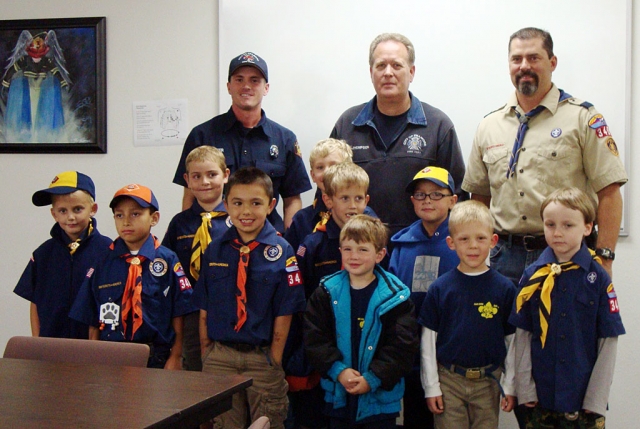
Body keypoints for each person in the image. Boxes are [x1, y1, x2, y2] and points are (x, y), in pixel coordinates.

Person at [462, 27, 628, 283]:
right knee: (504, 325)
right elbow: (479, 199)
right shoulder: (489, 126)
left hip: (567, 255)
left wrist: (605, 257)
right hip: (504, 258)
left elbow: (609, 191)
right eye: (516, 59)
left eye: (534, 58)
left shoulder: (582, 118)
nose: (524, 66)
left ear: (552, 63)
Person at [193, 167, 306, 429]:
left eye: (256, 203)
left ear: (271, 205)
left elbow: (285, 312)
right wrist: (206, 351)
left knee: (267, 423)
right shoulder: (216, 249)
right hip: (220, 357)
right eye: (238, 203)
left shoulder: (282, 250)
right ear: (226, 205)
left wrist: (274, 359)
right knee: (222, 425)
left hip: (262, 357)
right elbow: (204, 306)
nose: (246, 211)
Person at [330, 32, 466, 242]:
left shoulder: (438, 126)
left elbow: (458, 198)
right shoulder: (348, 124)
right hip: (360, 249)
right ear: (371, 72)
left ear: (411, 72)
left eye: (397, 65)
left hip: (420, 248)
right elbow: (328, 189)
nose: (388, 72)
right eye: (381, 65)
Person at [509, 187, 625, 428]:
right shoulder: (533, 275)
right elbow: (523, 335)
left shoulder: (598, 278)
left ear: (587, 227)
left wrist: (596, 399)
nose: (557, 233)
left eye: (567, 225)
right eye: (550, 224)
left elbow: (608, 341)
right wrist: (525, 389)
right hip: (539, 398)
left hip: (582, 400)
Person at [173, 51, 312, 233]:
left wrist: (289, 241)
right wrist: (190, 237)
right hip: (215, 240)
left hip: (268, 240)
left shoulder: (284, 138)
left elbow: (292, 199)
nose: (246, 86)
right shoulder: (202, 135)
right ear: (229, 86)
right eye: (239, 79)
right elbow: (190, 195)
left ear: (266, 88)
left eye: (254, 80)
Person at [303, 215, 419, 429]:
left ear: (380, 254)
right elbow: (315, 339)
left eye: (363, 250)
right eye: (347, 249)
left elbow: (402, 347)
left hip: (380, 404)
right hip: (338, 398)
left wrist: (373, 379)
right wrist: (339, 370)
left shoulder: (396, 298)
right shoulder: (325, 293)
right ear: (340, 252)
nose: (354, 256)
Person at [70, 184, 195, 369]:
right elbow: (92, 317)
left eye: (135, 214)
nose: (126, 222)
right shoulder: (102, 262)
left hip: (155, 357)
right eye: (119, 215)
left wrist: (176, 356)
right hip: (110, 356)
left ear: (154, 218)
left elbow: (179, 313)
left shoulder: (167, 260)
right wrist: (94, 358)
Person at [287, 161, 372, 429]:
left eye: (358, 198)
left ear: (367, 200)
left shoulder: (376, 242)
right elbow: (299, 299)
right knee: (317, 416)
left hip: (363, 343)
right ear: (327, 200)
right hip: (321, 345)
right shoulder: (312, 244)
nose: (352, 205)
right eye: (344, 198)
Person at [418, 200, 517, 429]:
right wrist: (431, 386)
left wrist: (510, 386)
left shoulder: (504, 289)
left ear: (493, 241)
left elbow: (513, 342)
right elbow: (428, 343)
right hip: (449, 381)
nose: (473, 246)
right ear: (451, 243)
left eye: (480, 238)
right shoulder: (440, 289)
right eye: (464, 239)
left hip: (489, 382)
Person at [388, 166, 459, 429]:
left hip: (451, 354)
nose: (427, 200)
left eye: (436, 194)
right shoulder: (402, 243)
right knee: (416, 416)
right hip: (412, 353)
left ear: (453, 200)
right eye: (420, 195)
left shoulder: (465, 240)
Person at [13, 170, 111, 339]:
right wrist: (37, 342)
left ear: (93, 209)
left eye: (78, 209)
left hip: (94, 349)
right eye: (63, 211)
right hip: (51, 346)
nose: (70, 217)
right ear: (54, 214)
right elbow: (35, 302)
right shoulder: (43, 253)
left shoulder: (108, 250)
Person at [162, 146, 231, 371]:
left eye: (212, 174)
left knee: (225, 368)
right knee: (194, 368)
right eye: (196, 176)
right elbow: (168, 269)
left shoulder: (238, 219)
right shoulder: (179, 223)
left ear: (226, 175)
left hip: (228, 308)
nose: (205, 182)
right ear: (187, 180)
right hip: (190, 311)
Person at [284, 138, 353, 252]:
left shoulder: (363, 215)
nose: (327, 172)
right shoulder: (301, 220)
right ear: (313, 175)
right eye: (320, 167)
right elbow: (290, 261)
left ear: (348, 170)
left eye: (333, 165)